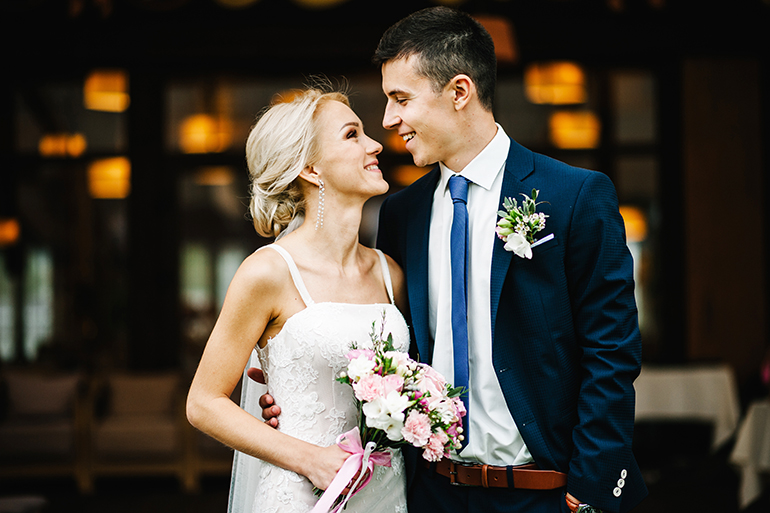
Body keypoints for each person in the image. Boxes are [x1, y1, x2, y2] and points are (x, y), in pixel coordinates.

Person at [260, 6, 648, 513]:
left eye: (401, 99)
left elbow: (612, 352)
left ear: (459, 92)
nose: (388, 120)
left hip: (548, 493)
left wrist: (588, 491)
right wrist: (292, 379)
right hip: (429, 494)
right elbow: (386, 345)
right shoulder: (401, 213)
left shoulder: (573, 196)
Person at [186, 86, 409, 513]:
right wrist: (312, 460)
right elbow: (203, 403)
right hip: (303, 493)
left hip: (387, 493)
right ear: (311, 168)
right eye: (352, 135)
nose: (375, 144)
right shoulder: (268, 272)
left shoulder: (390, 273)